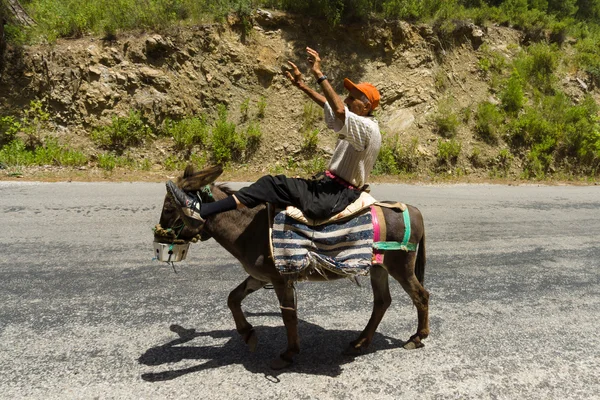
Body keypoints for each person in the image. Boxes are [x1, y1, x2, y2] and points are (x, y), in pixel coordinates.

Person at [166, 47, 381, 228]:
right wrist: (302, 86)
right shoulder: (362, 125)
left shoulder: (365, 128)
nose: (347, 99)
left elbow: (340, 111)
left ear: (366, 106)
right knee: (278, 186)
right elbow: (332, 107)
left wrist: (319, 73)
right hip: (329, 188)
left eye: (352, 98)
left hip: (335, 195)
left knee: (271, 184)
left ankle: (203, 211)